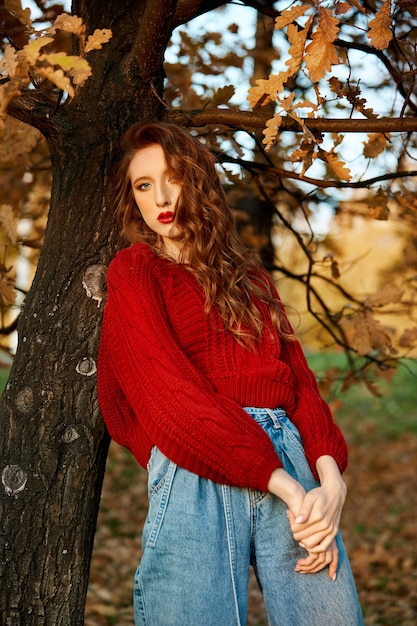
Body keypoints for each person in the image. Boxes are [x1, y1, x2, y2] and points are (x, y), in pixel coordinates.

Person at [97, 121, 364, 626]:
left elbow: (299, 383)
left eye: (173, 177)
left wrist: (331, 486)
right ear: (132, 198)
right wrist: (288, 487)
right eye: (144, 185)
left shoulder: (250, 275)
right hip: (195, 463)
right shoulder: (134, 270)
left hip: (291, 462)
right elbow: (167, 397)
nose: (161, 197)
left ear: (197, 180)